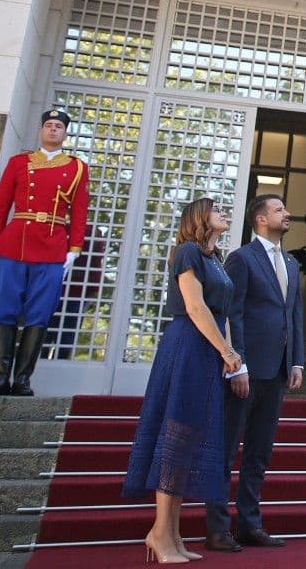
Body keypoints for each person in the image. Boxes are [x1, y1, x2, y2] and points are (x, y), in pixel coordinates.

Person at [122, 198, 240, 564]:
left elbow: (222, 314)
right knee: (176, 435)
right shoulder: (187, 251)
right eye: (216, 209)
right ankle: (160, 533)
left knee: (188, 439)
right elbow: (195, 306)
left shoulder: (215, 258)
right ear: (199, 218)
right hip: (188, 344)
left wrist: (230, 354)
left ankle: (173, 534)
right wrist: (226, 351)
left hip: (209, 348)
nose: (223, 212)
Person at [205, 195, 304, 552]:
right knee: (227, 449)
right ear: (261, 219)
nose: (287, 214)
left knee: (259, 453)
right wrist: (237, 364)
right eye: (279, 210)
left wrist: (297, 361)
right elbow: (232, 313)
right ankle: (217, 529)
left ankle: (249, 524)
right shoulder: (242, 258)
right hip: (245, 370)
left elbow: (294, 314)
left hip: (277, 371)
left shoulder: (291, 262)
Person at [0, 107, 89, 397]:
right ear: (41, 130)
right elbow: (2, 205)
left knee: (39, 313)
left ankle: (22, 380)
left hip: (52, 246)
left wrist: (74, 248)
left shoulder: (77, 168)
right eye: (49, 125)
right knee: (5, 309)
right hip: (15, 242)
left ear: (65, 134)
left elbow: (80, 212)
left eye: (58, 126)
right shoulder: (19, 163)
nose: (53, 129)